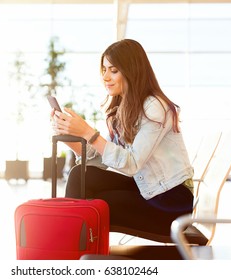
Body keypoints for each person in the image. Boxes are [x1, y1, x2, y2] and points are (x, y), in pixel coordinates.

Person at [50, 39, 194, 235]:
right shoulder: (123, 110)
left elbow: (131, 163)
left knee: (97, 205)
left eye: (114, 70)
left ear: (131, 70)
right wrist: (72, 134)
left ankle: (67, 246)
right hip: (150, 191)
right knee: (81, 175)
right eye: (104, 70)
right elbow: (102, 160)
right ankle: (72, 244)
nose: (105, 77)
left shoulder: (155, 107)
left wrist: (87, 132)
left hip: (171, 204)